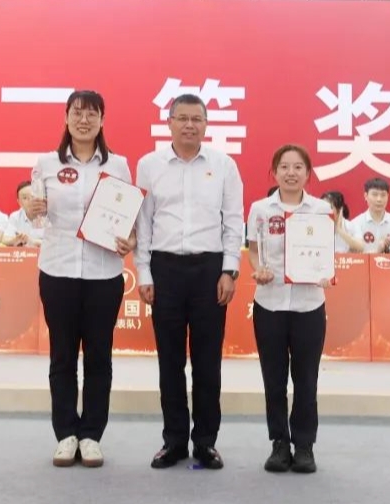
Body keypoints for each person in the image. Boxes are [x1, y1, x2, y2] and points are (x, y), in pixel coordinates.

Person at [135, 93, 244, 470]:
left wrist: (229, 270)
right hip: (164, 268)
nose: (189, 125)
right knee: (169, 361)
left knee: (207, 362)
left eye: (196, 119)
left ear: (206, 124)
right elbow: (143, 222)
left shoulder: (223, 165)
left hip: (209, 270)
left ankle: (206, 442)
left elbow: (234, 220)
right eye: (182, 118)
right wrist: (144, 272)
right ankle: (174, 441)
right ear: (169, 123)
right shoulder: (149, 165)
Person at [28, 90, 134, 468]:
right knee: (62, 356)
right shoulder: (46, 164)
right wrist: (33, 210)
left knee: (99, 357)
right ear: (66, 117)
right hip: (58, 270)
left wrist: (130, 240)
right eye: (77, 113)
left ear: (102, 120)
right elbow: (36, 219)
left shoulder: (118, 165)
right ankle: (65, 434)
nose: (84, 120)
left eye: (92, 114)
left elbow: (129, 220)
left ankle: (91, 435)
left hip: (104, 274)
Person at [246, 145, 331, 474]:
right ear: (275, 172)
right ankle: (279, 443)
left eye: (298, 167)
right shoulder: (260, 209)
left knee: (306, 380)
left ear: (308, 173)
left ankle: (305, 445)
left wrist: (325, 273)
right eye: (284, 167)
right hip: (270, 302)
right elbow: (254, 250)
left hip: (309, 305)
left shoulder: (321, 209)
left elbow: (325, 253)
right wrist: (258, 269)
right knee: (274, 378)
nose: (291, 173)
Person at [349, 178, 390, 253]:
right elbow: (352, 256)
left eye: (383, 195)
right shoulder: (355, 224)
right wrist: (377, 251)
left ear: (388, 196)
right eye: (374, 194)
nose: (379, 199)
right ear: (366, 196)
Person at [4, 181, 44, 247]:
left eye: (33, 196)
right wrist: (15, 240)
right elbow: (5, 239)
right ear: (19, 202)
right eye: (25, 198)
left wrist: (35, 242)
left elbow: (58, 242)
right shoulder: (15, 216)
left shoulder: (50, 215)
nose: (30, 200)